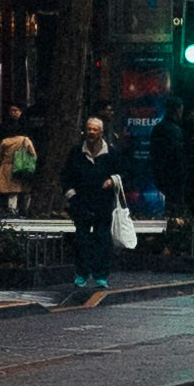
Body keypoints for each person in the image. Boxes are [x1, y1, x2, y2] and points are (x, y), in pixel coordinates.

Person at [62, 111, 127, 289]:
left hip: (103, 202)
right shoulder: (76, 152)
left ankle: (101, 275)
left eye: (95, 130)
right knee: (81, 239)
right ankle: (81, 274)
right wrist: (72, 196)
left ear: (101, 132)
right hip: (81, 202)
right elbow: (66, 177)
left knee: (102, 238)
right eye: (89, 129)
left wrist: (112, 180)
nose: (91, 133)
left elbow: (123, 173)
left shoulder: (112, 153)